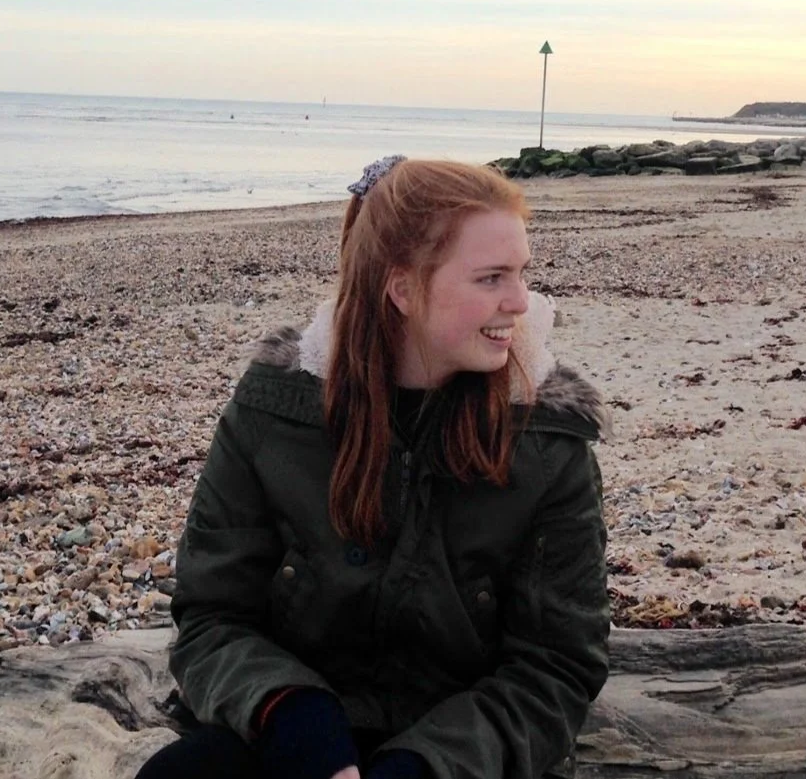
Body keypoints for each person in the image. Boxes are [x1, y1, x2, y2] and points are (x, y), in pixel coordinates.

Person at [138, 156, 611, 779]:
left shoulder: (546, 441)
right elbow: (211, 616)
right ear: (404, 288)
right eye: (492, 278)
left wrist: (422, 766)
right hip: (288, 738)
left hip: (463, 756)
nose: (521, 302)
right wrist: (294, 716)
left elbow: (557, 666)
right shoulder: (275, 412)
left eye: (522, 273)